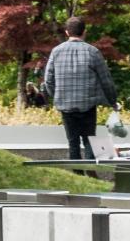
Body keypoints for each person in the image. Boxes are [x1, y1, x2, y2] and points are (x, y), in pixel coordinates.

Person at [40, 17, 118, 162]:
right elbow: (106, 80)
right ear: (84, 32)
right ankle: (90, 174)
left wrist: (56, 96)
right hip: (88, 105)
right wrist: (112, 100)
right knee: (89, 141)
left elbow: (48, 80)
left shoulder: (56, 52)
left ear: (66, 32)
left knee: (73, 142)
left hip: (65, 105)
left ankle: (77, 174)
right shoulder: (93, 52)